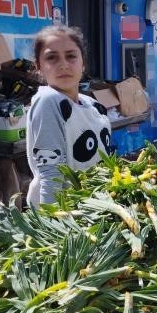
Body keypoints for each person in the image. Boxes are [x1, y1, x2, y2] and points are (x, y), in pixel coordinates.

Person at [26, 26, 111, 207]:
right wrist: (51, 225)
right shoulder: (48, 101)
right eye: (52, 57)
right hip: (62, 209)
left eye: (71, 56)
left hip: (91, 206)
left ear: (83, 63)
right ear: (38, 67)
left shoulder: (91, 104)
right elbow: (52, 174)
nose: (63, 64)